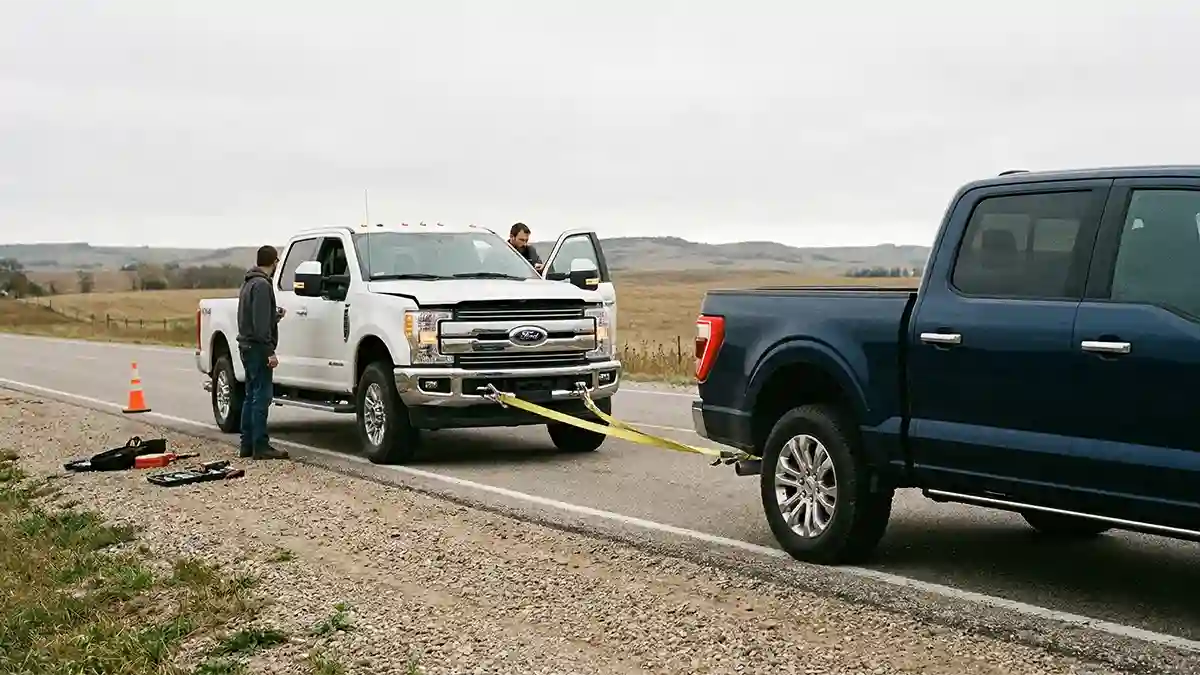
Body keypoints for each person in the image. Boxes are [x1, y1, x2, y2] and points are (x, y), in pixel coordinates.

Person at [236, 245, 289, 460]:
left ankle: (246, 444)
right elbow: (259, 325)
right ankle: (261, 445)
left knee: (250, 395)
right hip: (258, 348)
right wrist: (269, 351)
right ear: (274, 262)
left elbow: (254, 317)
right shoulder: (262, 285)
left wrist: (274, 316)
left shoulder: (249, 283)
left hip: (247, 346)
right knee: (262, 397)